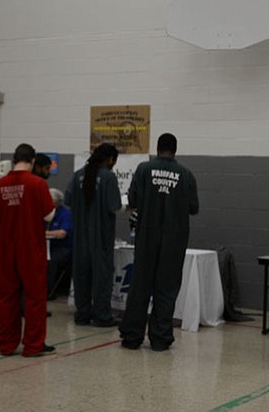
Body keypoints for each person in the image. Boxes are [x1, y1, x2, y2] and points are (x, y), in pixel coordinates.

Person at [119, 133, 199, 351]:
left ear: (157, 147)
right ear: (175, 149)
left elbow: (133, 200)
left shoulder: (144, 169)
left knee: (140, 285)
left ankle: (132, 336)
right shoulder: (186, 174)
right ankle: (160, 338)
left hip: (147, 236)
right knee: (167, 287)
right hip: (174, 238)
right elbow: (194, 208)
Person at [0, 143, 56, 357]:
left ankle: (6, 344)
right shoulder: (37, 184)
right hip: (30, 247)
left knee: (7, 296)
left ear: (13, 159)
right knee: (35, 297)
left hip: (6, 247)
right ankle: (33, 345)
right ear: (33, 160)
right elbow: (48, 216)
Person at [65, 143, 121, 327]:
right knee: (102, 277)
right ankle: (102, 316)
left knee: (81, 276)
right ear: (110, 159)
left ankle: (82, 314)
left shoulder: (78, 175)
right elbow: (114, 206)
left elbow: (69, 201)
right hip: (101, 236)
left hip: (80, 236)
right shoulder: (108, 177)